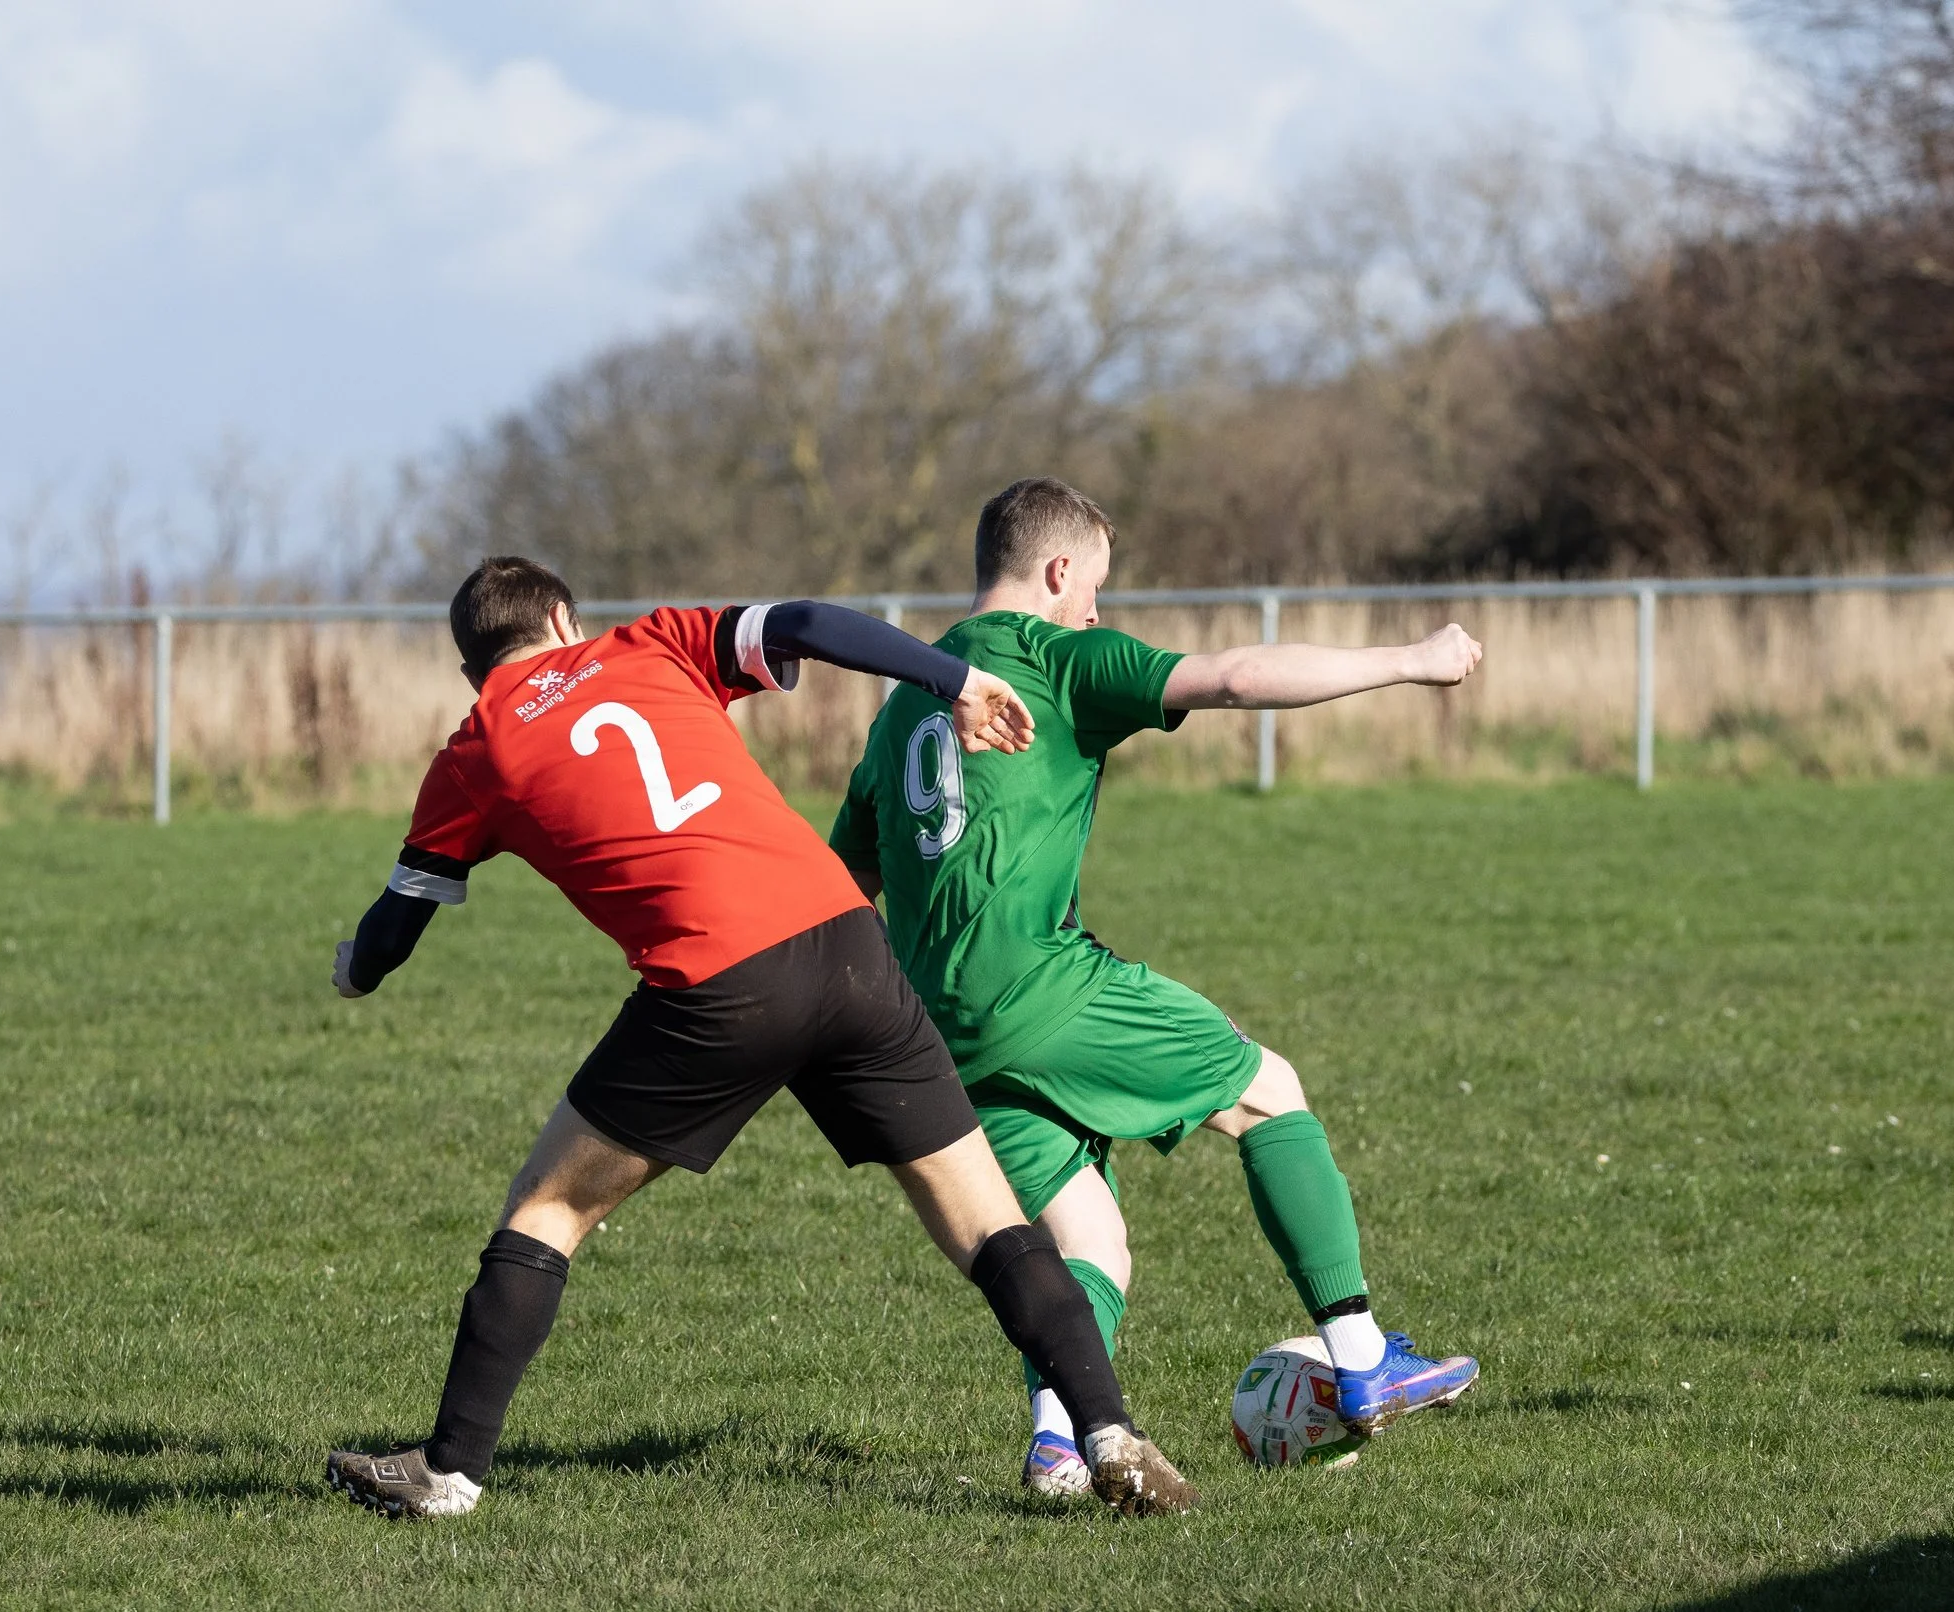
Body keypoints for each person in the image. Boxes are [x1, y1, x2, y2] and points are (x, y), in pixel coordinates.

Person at [322, 555, 1196, 1519]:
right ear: (565, 620)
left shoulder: (474, 748)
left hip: (717, 981)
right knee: (991, 1224)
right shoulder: (651, 642)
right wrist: (958, 678)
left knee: (549, 1211)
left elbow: (394, 932)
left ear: (471, 668)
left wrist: (352, 967)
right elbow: (812, 620)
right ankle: (1109, 1432)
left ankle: (450, 1473)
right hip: (847, 945)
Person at [828, 478, 1485, 1498]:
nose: (1097, 610)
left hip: (941, 1030)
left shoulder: (904, 700)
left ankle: (1059, 1439)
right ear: (1056, 574)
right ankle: (1362, 1363)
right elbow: (1232, 676)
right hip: (1041, 985)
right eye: (1092, 586)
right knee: (1268, 1087)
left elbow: (843, 885)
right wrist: (1409, 661)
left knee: (1087, 1235)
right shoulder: (1054, 656)